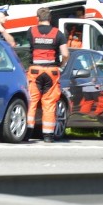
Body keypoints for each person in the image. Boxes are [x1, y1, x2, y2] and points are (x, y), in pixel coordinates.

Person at [26, 7, 69, 143]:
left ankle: (27, 132)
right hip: (52, 71)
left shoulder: (31, 31)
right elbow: (66, 54)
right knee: (49, 103)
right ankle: (48, 135)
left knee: (32, 101)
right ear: (50, 19)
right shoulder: (58, 33)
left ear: (37, 18)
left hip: (35, 71)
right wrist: (61, 65)